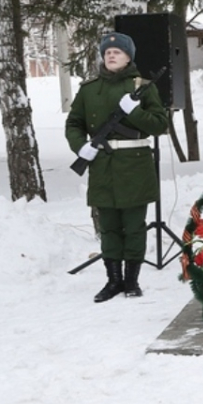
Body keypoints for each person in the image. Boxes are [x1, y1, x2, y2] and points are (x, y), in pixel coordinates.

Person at [65, 32, 168, 303]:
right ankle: (113, 280)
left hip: (134, 165)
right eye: (107, 51)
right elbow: (74, 123)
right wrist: (80, 147)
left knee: (134, 226)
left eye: (118, 52)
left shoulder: (143, 86)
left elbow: (159, 124)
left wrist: (133, 111)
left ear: (128, 57)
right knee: (109, 226)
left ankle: (132, 281)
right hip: (102, 164)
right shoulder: (89, 89)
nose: (111, 55)